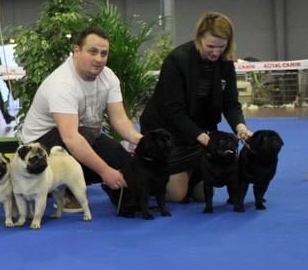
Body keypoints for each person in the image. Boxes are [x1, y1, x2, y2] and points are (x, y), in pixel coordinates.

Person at [18, 26, 142, 205]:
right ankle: (64, 189)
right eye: (93, 52)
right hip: (40, 145)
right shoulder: (62, 83)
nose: (99, 59)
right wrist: (105, 171)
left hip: (83, 134)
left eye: (104, 54)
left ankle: (99, 187)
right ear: (76, 51)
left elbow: (120, 119)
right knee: (87, 139)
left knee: (123, 161)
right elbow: (71, 139)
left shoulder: (109, 77)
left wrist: (140, 140)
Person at [140, 12, 252, 201]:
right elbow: (174, 111)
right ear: (199, 38)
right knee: (177, 195)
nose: (216, 52)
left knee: (202, 195)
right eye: (210, 46)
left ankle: (190, 172)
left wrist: (241, 127)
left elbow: (231, 104)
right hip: (168, 132)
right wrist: (206, 140)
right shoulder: (177, 60)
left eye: (221, 47)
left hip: (199, 132)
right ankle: (148, 175)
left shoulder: (225, 63)